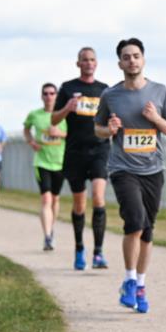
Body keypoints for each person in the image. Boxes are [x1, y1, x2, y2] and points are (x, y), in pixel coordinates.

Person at [95, 38, 166, 314]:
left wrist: (156, 119)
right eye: (126, 57)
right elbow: (98, 129)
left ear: (143, 60)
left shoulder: (160, 91)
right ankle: (129, 279)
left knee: (147, 228)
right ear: (120, 63)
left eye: (136, 56)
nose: (132, 60)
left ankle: (141, 284)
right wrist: (109, 129)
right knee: (135, 221)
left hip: (153, 169)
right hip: (123, 168)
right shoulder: (110, 95)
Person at [51, 47, 111, 270]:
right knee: (79, 204)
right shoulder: (68, 88)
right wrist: (67, 108)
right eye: (84, 60)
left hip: (99, 149)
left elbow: (111, 117)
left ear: (97, 63)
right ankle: (79, 249)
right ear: (78, 64)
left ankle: (98, 253)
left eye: (92, 59)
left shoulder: (104, 90)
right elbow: (54, 120)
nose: (88, 63)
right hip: (75, 152)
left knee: (98, 197)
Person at [24, 83, 68, 250]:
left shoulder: (63, 115)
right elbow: (26, 129)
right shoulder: (35, 114)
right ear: (41, 96)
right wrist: (31, 142)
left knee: (55, 199)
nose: (49, 96)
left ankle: (51, 227)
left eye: (52, 93)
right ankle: (47, 236)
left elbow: (73, 134)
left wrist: (59, 133)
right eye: (46, 93)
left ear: (56, 96)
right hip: (41, 162)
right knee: (46, 199)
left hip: (60, 162)